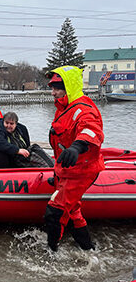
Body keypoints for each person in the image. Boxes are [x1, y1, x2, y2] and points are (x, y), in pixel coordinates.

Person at [44, 65, 105, 251]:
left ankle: (51, 253)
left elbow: (91, 129)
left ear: (68, 86)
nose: (53, 92)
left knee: (55, 212)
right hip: (67, 169)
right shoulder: (64, 107)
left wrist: (77, 146)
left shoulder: (83, 109)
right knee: (73, 211)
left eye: (57, 88)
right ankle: (87, 247)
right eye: (52, 88)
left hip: (81, 170)